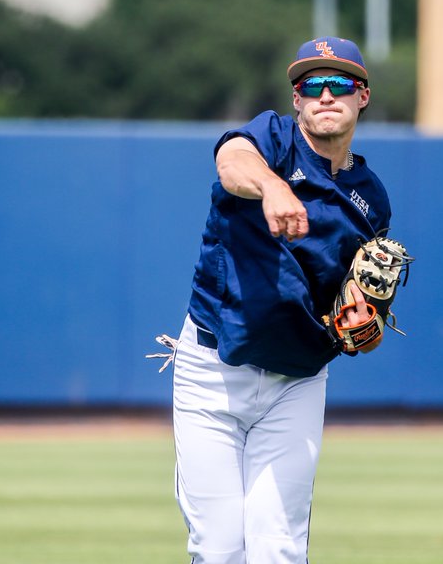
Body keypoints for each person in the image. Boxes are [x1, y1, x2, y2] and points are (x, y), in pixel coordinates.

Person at [165, 36, 394, 563]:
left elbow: (356, 297)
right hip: (213, 371)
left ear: (363, 97)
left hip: (298, 382)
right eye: (311, 85)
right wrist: (271, 187)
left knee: (278, 549)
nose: (325, 95)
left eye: (341, 84)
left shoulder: (371, 197)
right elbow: (231, 161)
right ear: (296, 99)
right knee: (220, 547)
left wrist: (363, 320)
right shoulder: (271, 140)